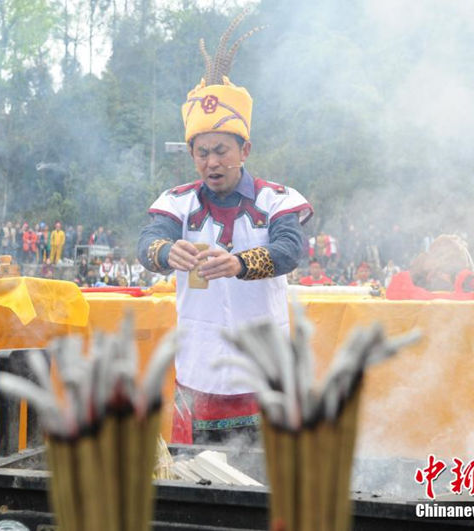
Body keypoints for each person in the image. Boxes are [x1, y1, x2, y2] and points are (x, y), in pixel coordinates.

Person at [137, 18, 311, 445]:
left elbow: (290, 249)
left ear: (244, 151)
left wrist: (238, 263)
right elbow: (147, 243)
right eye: (202, 153)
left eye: (221, 151)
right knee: (198, 485)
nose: (211, 162)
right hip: (200, 366)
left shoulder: (277, 199)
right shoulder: (175, 202)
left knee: (269, 484)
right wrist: (164, 253)